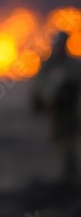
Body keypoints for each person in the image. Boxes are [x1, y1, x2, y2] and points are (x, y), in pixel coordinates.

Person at [31, 31, 81, 183]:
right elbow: (38, 86)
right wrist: (37, 102)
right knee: (57, 140)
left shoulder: (73, 65)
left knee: (68, 143)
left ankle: (69, 176)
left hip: (70, 110)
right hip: (53, 111)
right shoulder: (48, 65)